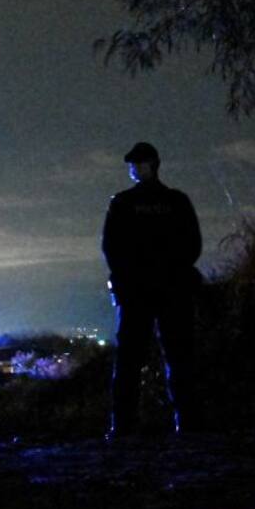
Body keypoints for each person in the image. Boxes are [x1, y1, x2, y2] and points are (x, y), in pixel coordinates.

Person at [101, 142, 202, 438]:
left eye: (137, 163)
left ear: (151, 164)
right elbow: (192, 245)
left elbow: (111, 248)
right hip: (168, 289)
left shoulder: (122, 203)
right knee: (176, 357)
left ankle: (124, 426)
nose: (133, 168)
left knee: (134, 360)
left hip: (140, 292)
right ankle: (186, 423)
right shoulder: (176, 201)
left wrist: (127, 277)